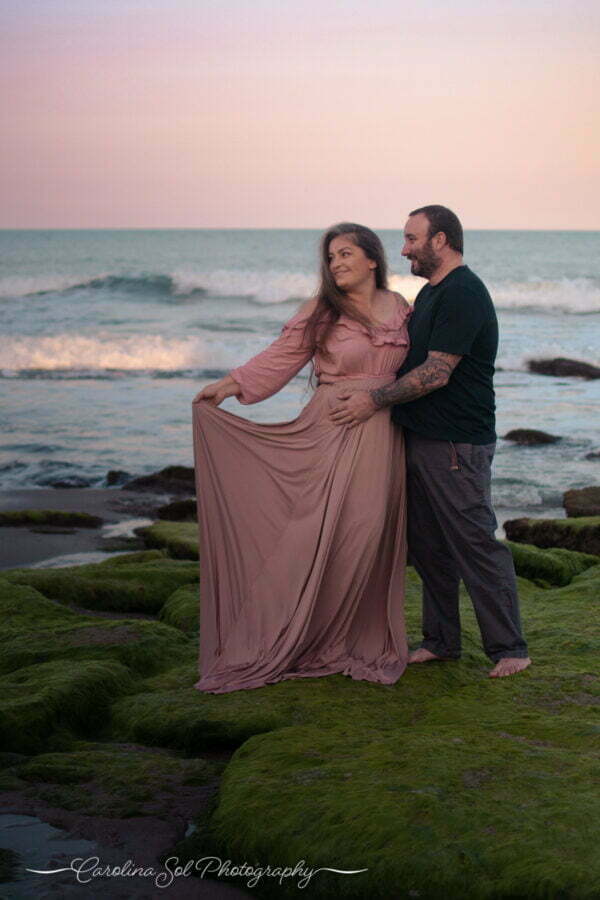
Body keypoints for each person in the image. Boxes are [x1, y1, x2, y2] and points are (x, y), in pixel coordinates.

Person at [191, 223, 412, 693]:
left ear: (373, 259)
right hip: (330, 430)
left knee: (366, 532)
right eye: (331, 257)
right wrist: (230, 385)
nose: (336, 263)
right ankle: (300, 637)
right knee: (318, 533)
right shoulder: (321, 310)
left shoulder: (400, 308)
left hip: (381, 433)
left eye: (346, 253)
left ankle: (350, 636)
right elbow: (281, 355)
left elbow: (421, 370)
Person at [330, 205, 531, 678]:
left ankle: (510, 649)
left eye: (410, 239)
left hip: (456, 443)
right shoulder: (431, 293)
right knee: (428, 547)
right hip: (421, 437)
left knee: (475, 543)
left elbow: (437, 372)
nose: (403, 249)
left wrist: (372, 401)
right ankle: (442, 641)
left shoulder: (463, 292)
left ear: (439, 240)